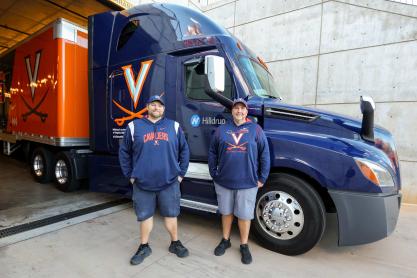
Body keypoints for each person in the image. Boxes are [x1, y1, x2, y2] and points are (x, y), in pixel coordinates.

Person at [119, 95, 190, 265]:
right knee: (144, 216)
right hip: (143, 183)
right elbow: (124, 152)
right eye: (153, 105)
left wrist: (180, 174)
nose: (156, 108)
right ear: (147, 107)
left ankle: (175, 243)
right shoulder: (134, 126)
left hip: (169, 181)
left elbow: (185, 150)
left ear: (163, 109)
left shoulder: (174, 126)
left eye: (159, 105)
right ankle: (144, 246)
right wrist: (130, 175)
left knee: (171, 215)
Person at [208, 98, 270, 264]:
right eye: (236, 108)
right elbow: (212, 152)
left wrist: (262, 177)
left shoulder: (256, 130)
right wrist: (214, 173)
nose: (239, 111)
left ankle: (243, 245)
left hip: (247, 182)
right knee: (226, 213)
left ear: (247, 112)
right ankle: (225, 240)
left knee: (244, 215)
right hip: (224, 181)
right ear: (232, 111)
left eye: (242, 109)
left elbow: (264, 154)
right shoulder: (222, 130)